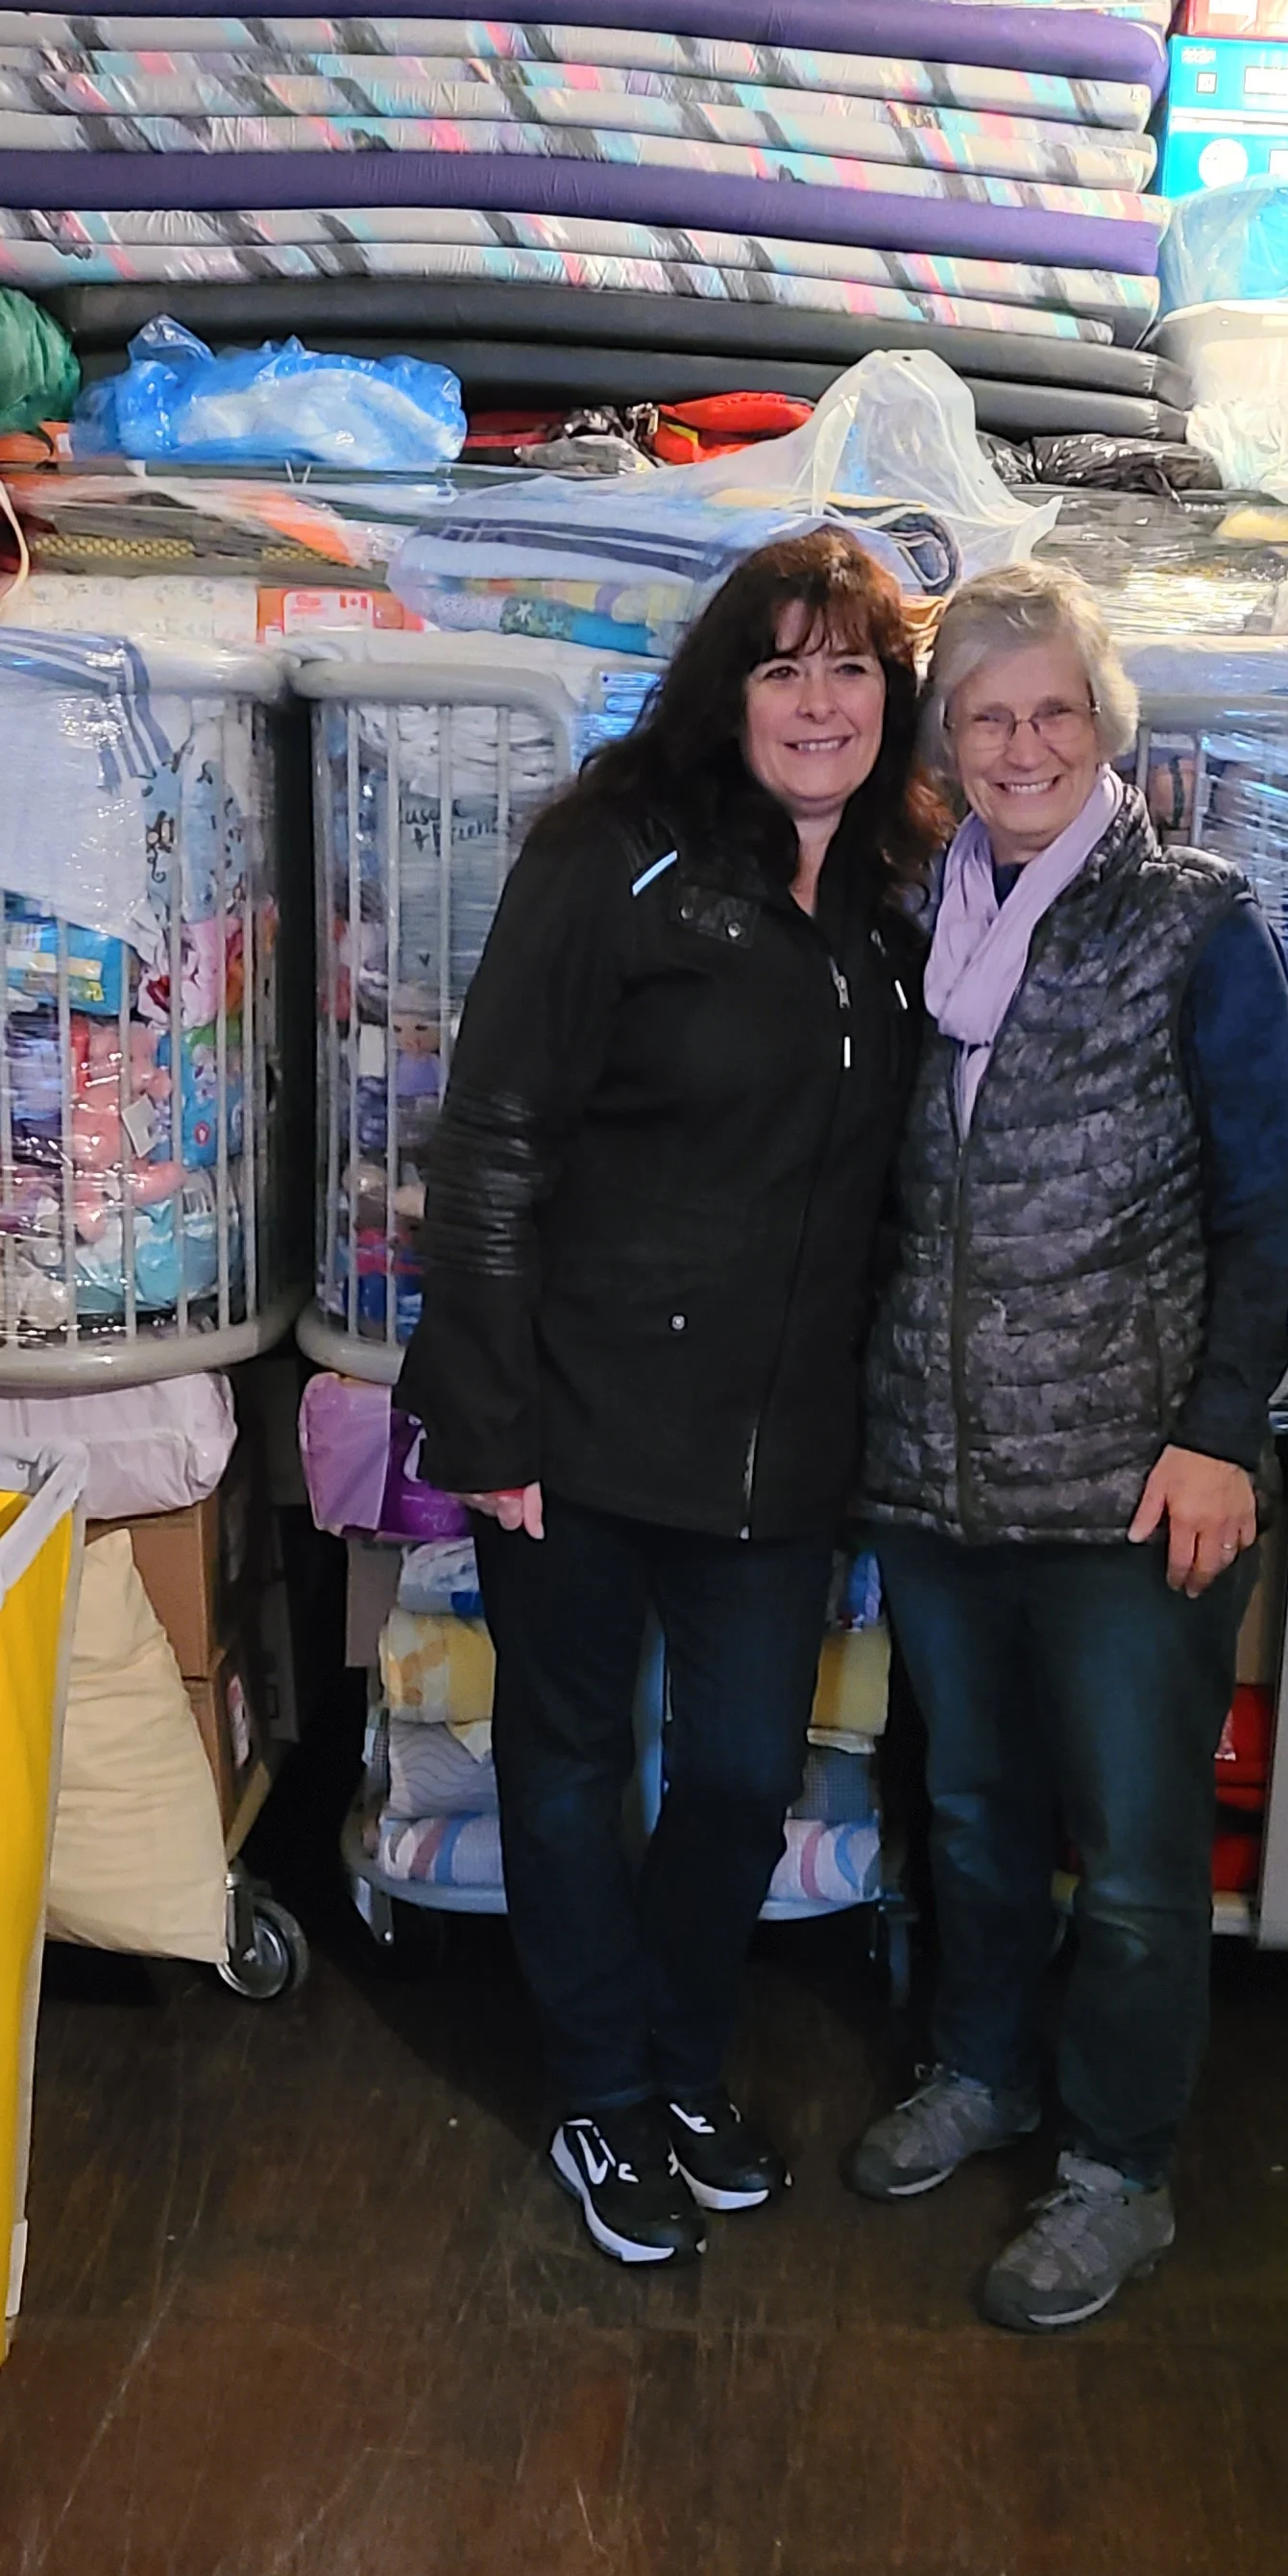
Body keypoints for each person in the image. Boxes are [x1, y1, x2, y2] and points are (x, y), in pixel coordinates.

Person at [400, 527, 939, 2269]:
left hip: (779, 1450)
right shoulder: (611, 854)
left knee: (730, 1774)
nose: (816, 700)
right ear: (728, 690)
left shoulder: (887, 902)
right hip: (579, 1420)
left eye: (850, 668)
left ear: (890, 701)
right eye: (781, 666)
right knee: (570, 1768)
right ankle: (599, 2094)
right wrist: (485, 1419)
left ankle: (684, 2063)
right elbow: (491, 1141)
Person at [848, 561, 1288, 2332]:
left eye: (1053, 710)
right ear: (947, 746)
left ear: (1101, 725)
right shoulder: (916, 925)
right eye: (987, 716)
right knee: (969, 1811)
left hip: (1135, 1490)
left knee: (1126, 1854)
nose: (1023, 743)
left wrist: (1220, 1438)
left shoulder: (1196, 924)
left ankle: (1120, 2172)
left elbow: (1266, 1213)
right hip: (945, 1477)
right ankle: (985, 2070)